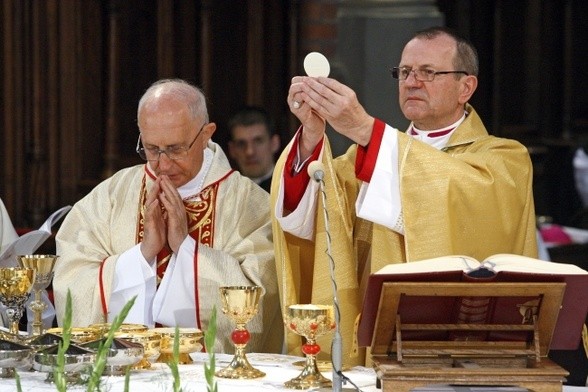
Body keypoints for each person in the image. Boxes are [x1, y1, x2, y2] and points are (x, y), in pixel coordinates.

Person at [271, 26, 538, 365]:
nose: (412, 82)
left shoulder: (503, 159)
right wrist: (311, 137)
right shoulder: (367, 155)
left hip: (464, 357)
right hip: (376, 343)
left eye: (428, 72)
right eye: (405, 72)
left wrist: (366, 130)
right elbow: (313, 210)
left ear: (465, 87)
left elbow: (454, 189)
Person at [53, 79, 283, 354]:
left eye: (175, 149)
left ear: (207, 133)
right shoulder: (112, 195)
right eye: (151, 149)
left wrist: (187, 250)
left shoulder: (248, 203)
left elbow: (262, 294)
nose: (162, 164)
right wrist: (142, 254)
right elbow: (73, 276)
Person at [227, 106, 280, 192]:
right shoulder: (224, 194)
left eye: (258, 141)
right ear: (232, 150)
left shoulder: (289, 189)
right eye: (241, 144)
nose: (249, 152)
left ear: (274, 143)